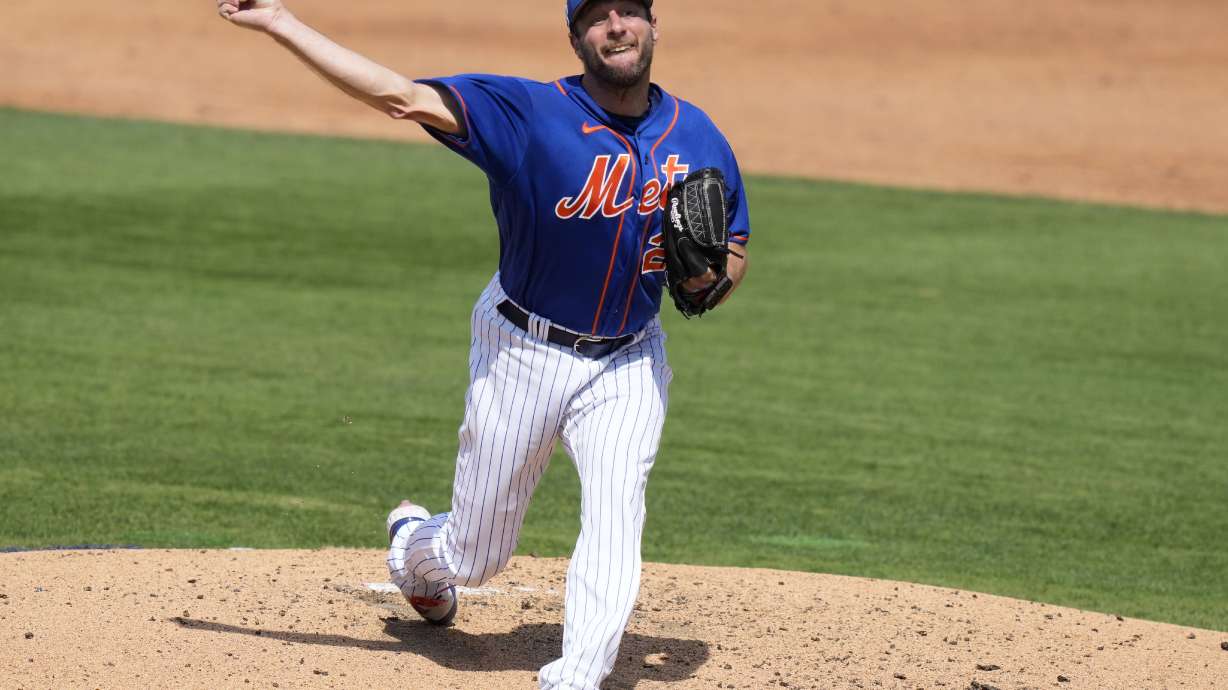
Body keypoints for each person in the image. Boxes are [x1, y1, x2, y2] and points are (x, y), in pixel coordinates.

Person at [215, 0, 751, 686]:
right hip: (522, 350)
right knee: (473, 558)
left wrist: (711, 280)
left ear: (653, 23)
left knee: (618, 510)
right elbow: (400, 96)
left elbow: (733, 244)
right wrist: (281, 22)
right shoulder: (525, 114)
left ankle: (576, 676)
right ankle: (414, 546)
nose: (616, 26)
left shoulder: (698, 134)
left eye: (629, 10)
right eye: (596, 16)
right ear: (575, 37)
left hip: (628, 356)